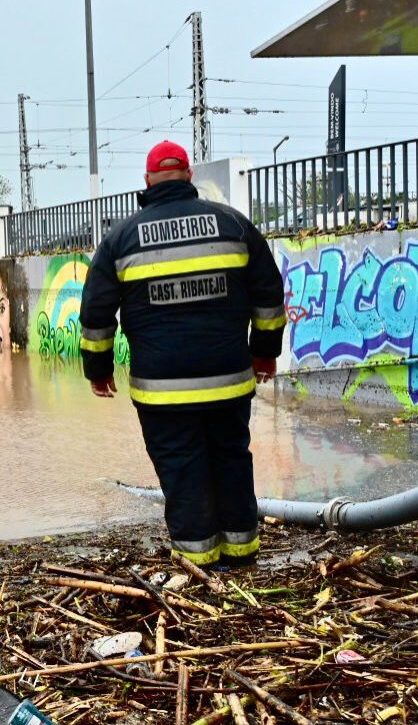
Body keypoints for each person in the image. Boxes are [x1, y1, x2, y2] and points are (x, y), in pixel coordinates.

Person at [78, 141, 286, 568]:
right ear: (189, 177)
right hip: (229, 379)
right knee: (231, 457)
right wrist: (264, 354)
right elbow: (268, 297)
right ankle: (242, 553)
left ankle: (200, 561)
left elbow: (96, 314)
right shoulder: (233, 225)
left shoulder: (121, 239)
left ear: (147, 181)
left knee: (182, 468)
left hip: (163, 390)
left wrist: (97, 370)